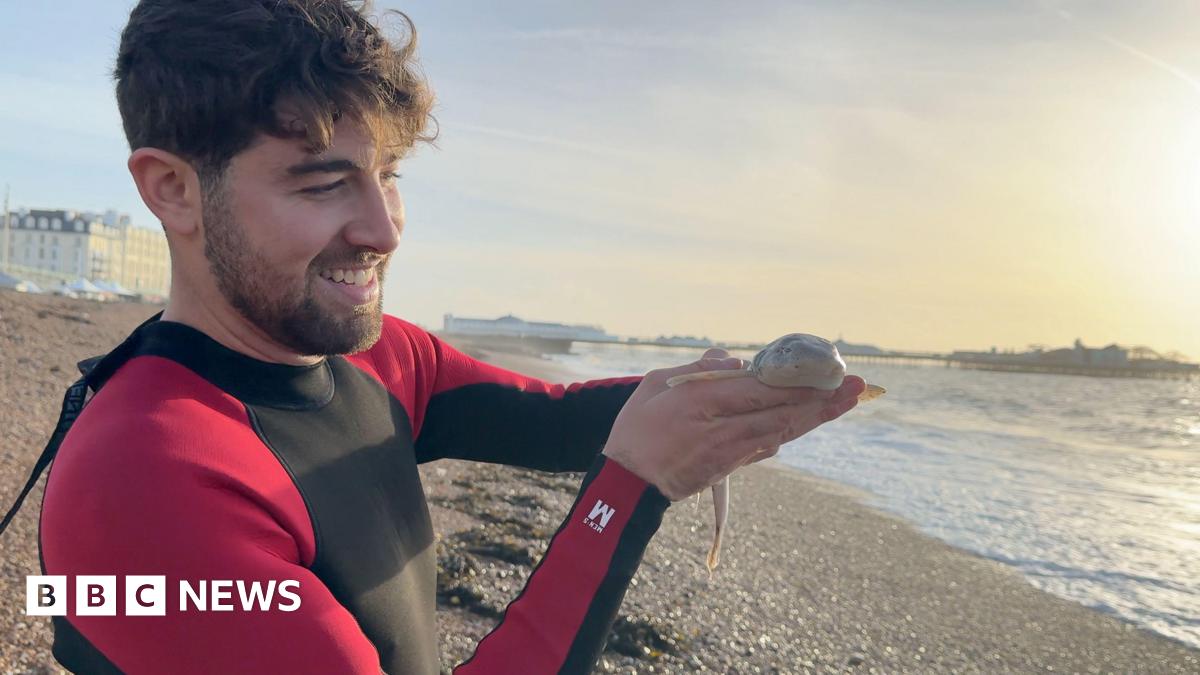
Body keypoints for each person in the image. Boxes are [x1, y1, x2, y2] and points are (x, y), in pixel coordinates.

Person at [1, 1, 866, 673]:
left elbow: (555, 416)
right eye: (323, 185)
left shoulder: (378, 357)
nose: (384, 229)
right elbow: (619, 462)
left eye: (388, 177)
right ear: (173, 190)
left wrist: (717, 391)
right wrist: (630, 490)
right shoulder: (147, 480)